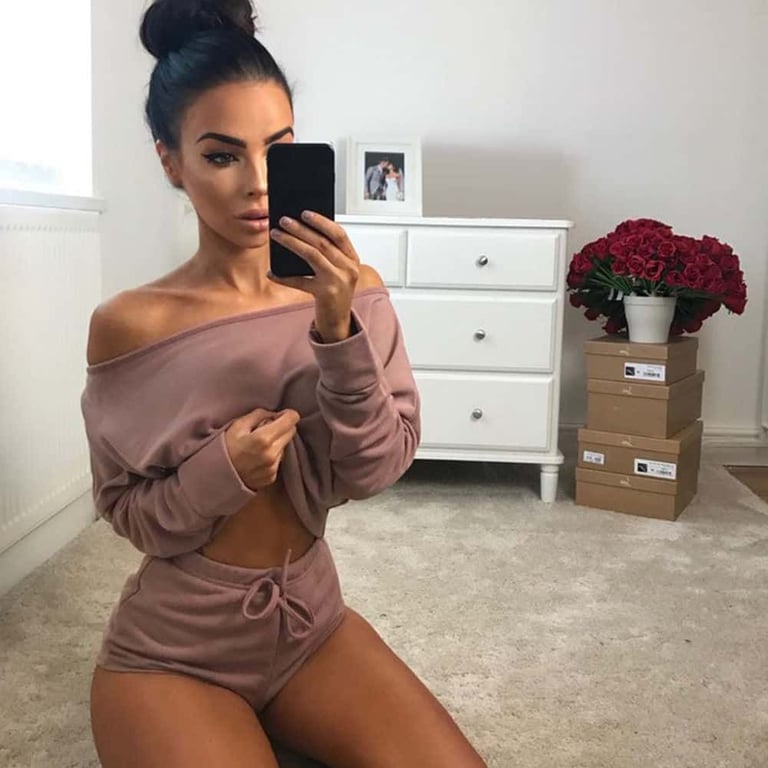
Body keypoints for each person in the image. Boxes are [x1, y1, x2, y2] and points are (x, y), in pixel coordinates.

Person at [80, 1, 487, 767]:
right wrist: (220, 471)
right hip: (174, 652)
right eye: (222, 155)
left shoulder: (351, 291)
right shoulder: (131, 326)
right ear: (171, 161)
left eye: (279, 150)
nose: (259, 184)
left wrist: (337, 333)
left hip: (312, 625)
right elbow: (128, 511)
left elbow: (373, 470)